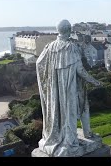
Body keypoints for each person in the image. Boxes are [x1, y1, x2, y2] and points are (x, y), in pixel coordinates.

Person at [35, 20, 102, 157]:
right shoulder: (70, 47)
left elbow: (38, 64)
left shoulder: (50, 47)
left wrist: (49, 81)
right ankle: (72, 139)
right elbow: (80, 70)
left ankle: (84, 133)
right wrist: (95, 82)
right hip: (70, 88)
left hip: (56, 90)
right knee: (75, 110)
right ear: (70, 30)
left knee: (68, 111)